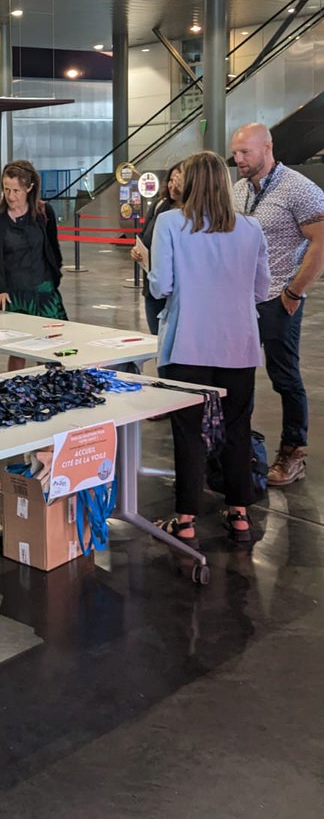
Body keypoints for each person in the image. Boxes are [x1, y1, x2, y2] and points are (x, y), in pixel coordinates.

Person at [148, 151, 270, 547]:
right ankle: (239, 512)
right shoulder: (252, 228)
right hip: (239, 345)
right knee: (237, 429)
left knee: (188, 434)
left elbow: (161, 286)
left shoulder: (170, 223)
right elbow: (261, 290)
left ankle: (185, 518)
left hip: (187, 345)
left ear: (192, 183)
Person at [230, 123, 324, 486]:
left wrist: (294, 293)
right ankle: (240, 446)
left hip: (279, 300)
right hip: (242, 301)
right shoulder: (239, 190)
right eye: (236, 152)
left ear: (267, 148)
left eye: (245, 152)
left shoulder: (299, 189)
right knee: (237, 374)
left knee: (284, 377)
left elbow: (320, 244)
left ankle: (293, 451)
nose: (238, 159)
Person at [0, 159, 65, 371]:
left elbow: (53, 249)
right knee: (18, 350)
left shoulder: (44, 213)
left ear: (29, 188)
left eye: (16, 190)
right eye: (7, 189)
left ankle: (50, 392)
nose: (10, 196)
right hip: (13, 294)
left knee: (48, 350)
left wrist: (54, 278)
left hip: (43, 292)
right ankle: (18, 395)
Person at [131, 162, 184, 335]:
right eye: (170, 179)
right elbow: (144, 236)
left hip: (177, 293)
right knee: (157, 341)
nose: (172, 184)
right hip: (153, 285)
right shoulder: (159, 206)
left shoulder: (192, 216)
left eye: (177, 179)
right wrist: (137, 251)